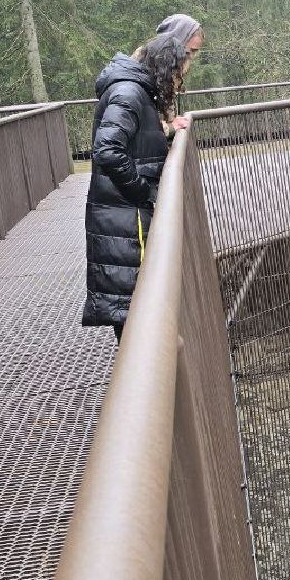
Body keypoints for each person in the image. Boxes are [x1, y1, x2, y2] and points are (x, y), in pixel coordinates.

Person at [81, 17, 202, 343]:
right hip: (125, 219)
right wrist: (141, 191)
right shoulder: (129, 92)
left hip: (125, 218)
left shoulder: (137, 91)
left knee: (137, 301)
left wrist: (164, 129)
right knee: (133, 306)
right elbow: (107, 150)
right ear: (166, 67)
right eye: (181, 68)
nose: (182, 76)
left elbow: (133, 139)